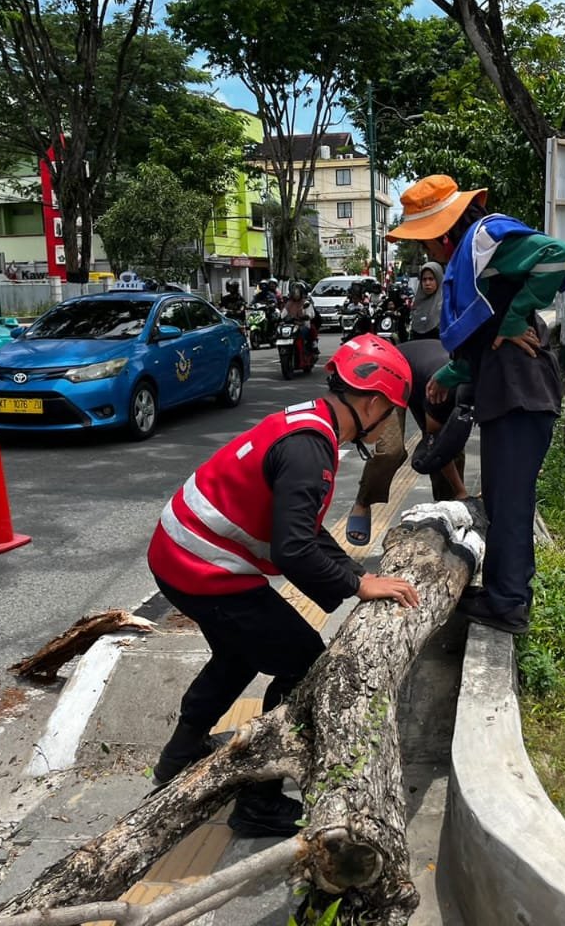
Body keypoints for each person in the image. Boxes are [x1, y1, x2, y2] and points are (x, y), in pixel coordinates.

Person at [145, 336, 420, 837]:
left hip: (178, 553)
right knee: (303, 663)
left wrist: (359, 576)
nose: (390, 429)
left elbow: (304, 531)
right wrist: (358, 588)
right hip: (204, 567)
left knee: (238, 654)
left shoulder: (310, 420)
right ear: (375, 403)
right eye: (394, 415)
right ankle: (257, 801)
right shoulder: (310, 450)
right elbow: (295, 549)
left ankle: (179, 756)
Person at [386, 175, 565, 635]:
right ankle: (500, 592)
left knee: (509, 503)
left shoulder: (486, 239)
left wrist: (516, 316)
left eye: (425, 240)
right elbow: (483, 342)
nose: (425, 251)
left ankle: (509, 604)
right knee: (499, 497)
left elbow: (558, 255)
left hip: (521, 394)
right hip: (506, 393)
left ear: (442, 232)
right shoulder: (471, 261)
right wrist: (449, 374)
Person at [345, 339, 467, 546]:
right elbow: (437, 447)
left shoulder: (481, 393)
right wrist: (462, 491)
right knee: (391, 450)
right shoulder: (449, 391)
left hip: (423, 381)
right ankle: (362, 503)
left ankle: (447, 513)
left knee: (456, 452)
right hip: (393, 373)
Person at [409, 262, 444, 340]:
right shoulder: (417, 305)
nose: (427, 283)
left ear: (438, 279)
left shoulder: (446, 305)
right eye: (424, 279)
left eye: (431, 279)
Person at [282, 282, 318, 355]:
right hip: (290, 325)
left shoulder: (306, 302)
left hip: (302, 324)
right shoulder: (289, 303)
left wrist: (306, 316)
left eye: (298, 292)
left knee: (308, 331)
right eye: (294, 292)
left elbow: (311, 314)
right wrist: (281, 318)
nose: (296, 294)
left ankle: (311, 346)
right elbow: (283, 313)